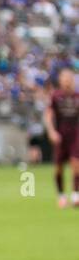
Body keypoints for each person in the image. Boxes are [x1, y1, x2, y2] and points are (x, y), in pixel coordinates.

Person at [44, 69, 79, 208]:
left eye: (69, 78)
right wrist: (51, 131)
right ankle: (61, 195)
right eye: (65, 78)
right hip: (60, 135)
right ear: (60, 80)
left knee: (76, 164)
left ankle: (76, 195)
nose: (67, 81)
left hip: (76, 134)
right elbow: (48, 115)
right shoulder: (55, 96)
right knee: (58, 168)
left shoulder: (77, 96)